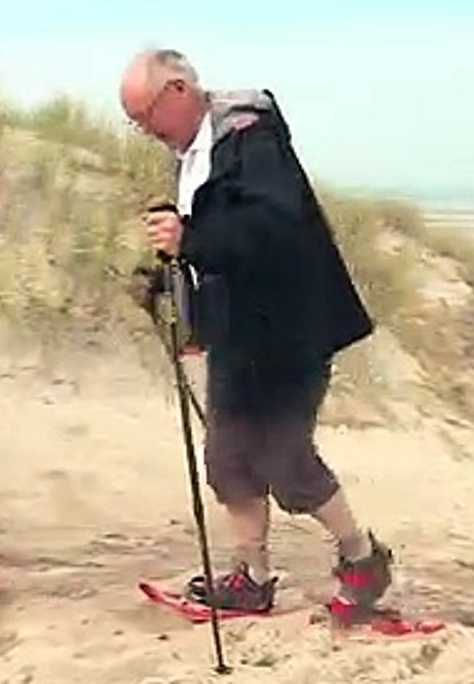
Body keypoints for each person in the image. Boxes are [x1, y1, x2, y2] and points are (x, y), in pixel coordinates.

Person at [120, 48, 393, 624]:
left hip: (292, 327)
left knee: (285, 458)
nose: (143, 130)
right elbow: (217, 248)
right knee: (227, 457)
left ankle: (362, 558)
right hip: (237, 328)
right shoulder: (192, 152)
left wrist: (189, 237)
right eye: (134, 121)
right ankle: (253, 578)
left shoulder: (250, 135)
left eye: (145, 114)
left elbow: (272, 228)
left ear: (177, 89)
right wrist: (170, 285)